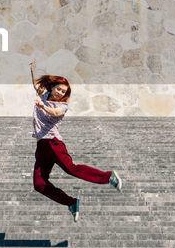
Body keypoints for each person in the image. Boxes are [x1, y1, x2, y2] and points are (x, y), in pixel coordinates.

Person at [29, 60, 122, 221]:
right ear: (52, 87)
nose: (60, 93)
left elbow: (55, 113)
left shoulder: (62, 106)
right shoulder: (44, 95)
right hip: (41, 146)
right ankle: (71, 203)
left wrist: (43, 107)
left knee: (71, 168)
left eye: (63, 92)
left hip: (53, 143)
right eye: (58, 88)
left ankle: (109, 177)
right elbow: (36, 86)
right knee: (39, 184)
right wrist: (32, 70)